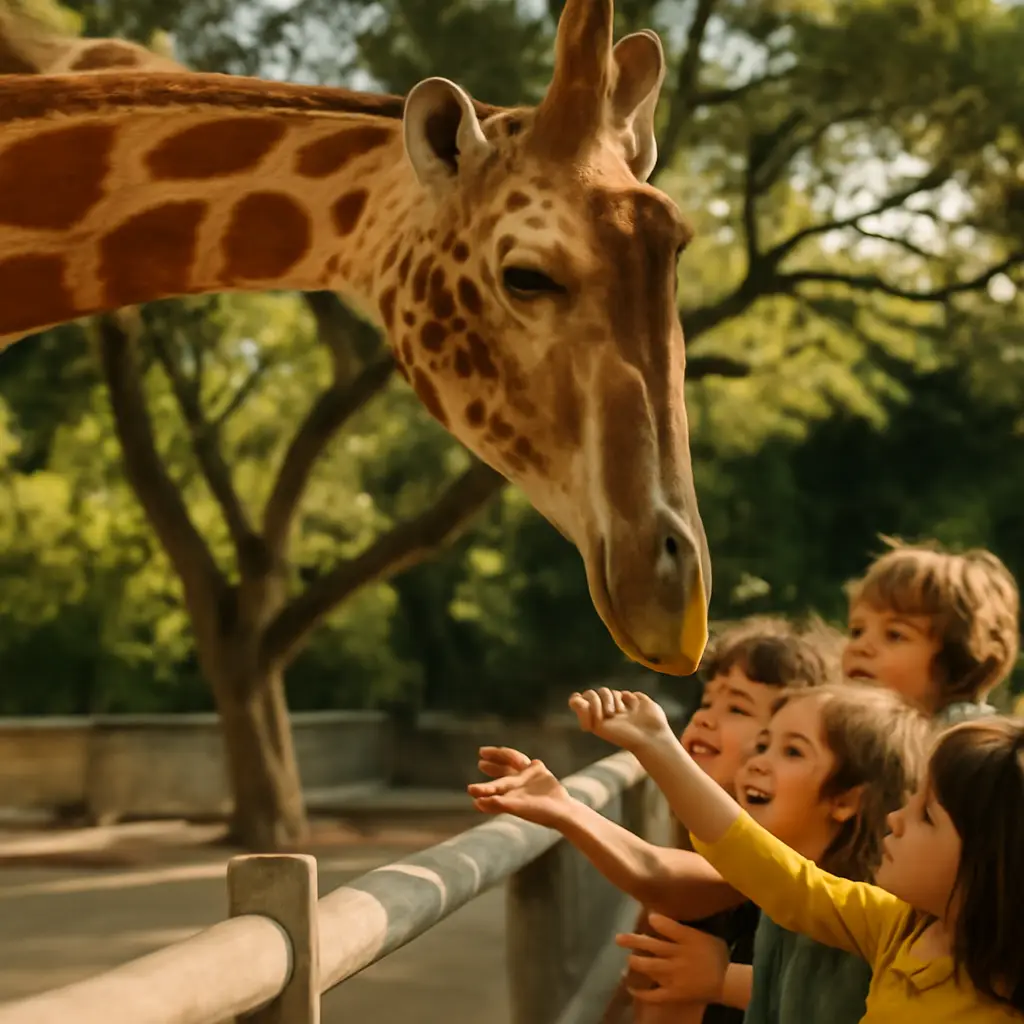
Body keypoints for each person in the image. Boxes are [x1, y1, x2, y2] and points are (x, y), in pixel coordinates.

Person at [471, 682, 929, 1024]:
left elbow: (723, 842)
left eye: (792, 751)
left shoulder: (870, 916)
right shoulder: (776, 904)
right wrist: (567, 805)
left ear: (847, 800)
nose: (758, 760)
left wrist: (655, 744)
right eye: (764, 743)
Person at [558, 687, 1024, 1022]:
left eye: (926, 817)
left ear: (993, 864)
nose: (897, 818)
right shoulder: (895, 927)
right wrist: (657, 745)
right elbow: (776, 872)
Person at [473, 616, 841, 1024]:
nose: (705, 718)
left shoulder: (781, 858)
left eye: (737, 707)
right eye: (707, 701)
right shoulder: (691, 844)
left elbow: (657, 875)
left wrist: (568, 807)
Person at [842, 538, 1019, 723]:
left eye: (894, 635)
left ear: (956, 660)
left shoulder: (967, 743)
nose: (861, 647)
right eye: (856, 632)